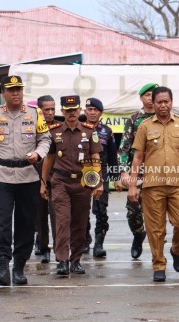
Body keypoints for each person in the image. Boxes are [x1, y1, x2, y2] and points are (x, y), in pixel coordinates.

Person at [128, 86, 179, 282]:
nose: (163, 105)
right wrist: (133, 185)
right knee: (156, 229)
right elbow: (137, 156)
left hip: (177, 183)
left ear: (171, 101)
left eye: (166, 101)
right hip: (152, 185)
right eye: (159, 102)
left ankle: (176, 250)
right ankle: (158, 265)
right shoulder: (144, 126)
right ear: (153, 103)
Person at [0, 75, 51, 286]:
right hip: (3, 176)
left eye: (19, 90)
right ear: (3, 93)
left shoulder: (35, 114)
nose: (16, 93)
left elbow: (45, 139)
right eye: (11, 90)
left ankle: (19, 268)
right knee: (3, 223)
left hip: (28, 177)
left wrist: (39, 154)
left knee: (25, 223)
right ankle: (3, 267)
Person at [40, 95, 103, 276]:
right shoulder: (54, 131)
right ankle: (62, 260)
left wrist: (98, 182)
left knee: (80, 222)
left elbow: (95, 158)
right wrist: (44, 184)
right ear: (62, 111)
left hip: (83, 182)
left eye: (74, 110)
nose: (71, 113)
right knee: (62, 221)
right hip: (60, 182)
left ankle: (75, 260)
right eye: (68, 110)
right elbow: (49, 159)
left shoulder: (89, 131)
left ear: (80, 110)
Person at [117, 83, 159, 259]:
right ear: (141, 97)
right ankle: (138, 234)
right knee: (133, 211)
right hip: (138, 173)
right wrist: (124, 172)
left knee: (157, 212)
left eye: (153, 95)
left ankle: (158, 250)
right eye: (147, 95)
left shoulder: (165, 117)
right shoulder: (134, 119)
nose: (150, 98)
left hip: (159, 174)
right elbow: (124, 148)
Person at [83, 97, 122, 257]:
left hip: (103, 172)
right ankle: (85, 241)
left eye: (95, 110)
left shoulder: (107, 131)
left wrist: (116, 178)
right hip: (82, 171)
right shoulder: (78, 127)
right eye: (89, 110)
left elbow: (112, 156)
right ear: (85, 111)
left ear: (100, 112)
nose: (92, 112)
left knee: (101, 210)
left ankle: (99, 244)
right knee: (82, 210)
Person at [35, 95, 58, 263]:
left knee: (58, 216)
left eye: (52, 109)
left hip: (58, 178)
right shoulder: (33, 127)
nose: (50, 113)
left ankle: (60, 249)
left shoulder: (61, 127)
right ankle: (43, 248)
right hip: (36, 178)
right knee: (40, 216)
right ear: (39, 110)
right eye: (46, 110)